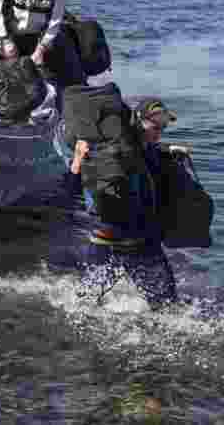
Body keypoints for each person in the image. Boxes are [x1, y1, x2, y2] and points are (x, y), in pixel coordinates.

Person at [60, 92, 180, 311]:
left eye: (163, 127)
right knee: (167, 306)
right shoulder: (108, 153)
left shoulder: (147, 150)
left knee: (85, 303)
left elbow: (150, 157)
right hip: (122, 240)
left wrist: (168, 150)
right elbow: (69, 193)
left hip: (121, 238)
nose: (160, 132)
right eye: (155, 127)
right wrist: (77, 161)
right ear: (137, 122)